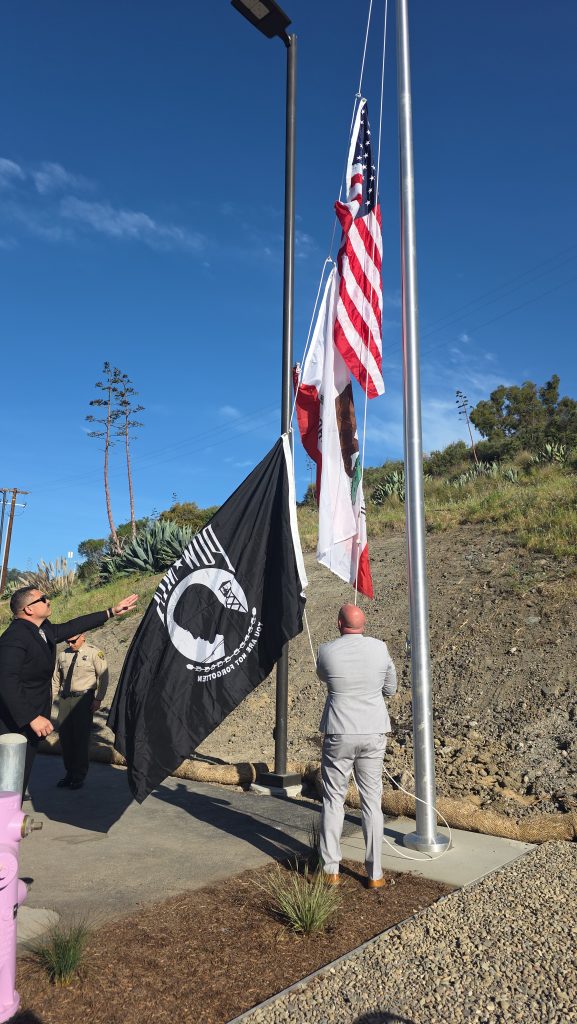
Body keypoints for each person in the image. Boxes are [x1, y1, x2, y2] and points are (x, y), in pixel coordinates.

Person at [0, 587, 138, 795]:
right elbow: (5, 680)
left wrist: (111, 612)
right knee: (9, 777)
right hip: (14, 723)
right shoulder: (15, 637)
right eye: (42, 599)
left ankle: (10, 818)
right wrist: (31, 717)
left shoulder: (42, 630)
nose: (49, 601)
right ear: (28, 609)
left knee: (19, 776)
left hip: (31, 719)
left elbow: (73, 625)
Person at [316, 603, 397, 889]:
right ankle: (375, 875)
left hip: (339, 731)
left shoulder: (326, 650)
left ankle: (331, 870)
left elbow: (323, 678)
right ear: (362, 624)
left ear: (339, 623)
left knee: (333, 799)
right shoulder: (380, 648)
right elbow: (391, 688)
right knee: (372, 801)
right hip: (373, 730)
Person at [52, 633, 109, 790]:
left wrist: (98, 699)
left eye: (73, 641)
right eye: (67, 641)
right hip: (64, 699)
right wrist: (49, 700)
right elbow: (56, 680)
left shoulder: (94, 653)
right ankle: (69, 773)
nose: (70, 644)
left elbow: (103, 677)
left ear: (82, 637)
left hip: (83, 700)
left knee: (80, 738)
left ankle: (79, 775)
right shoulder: (63, 655)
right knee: (65, 737)